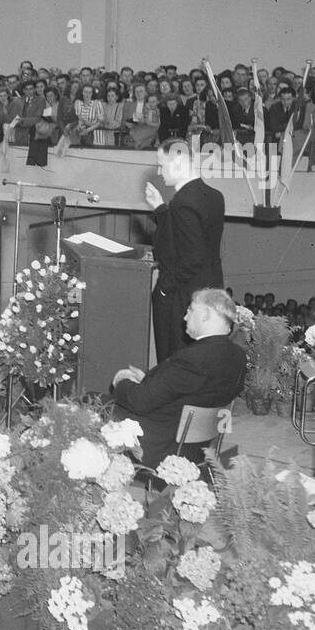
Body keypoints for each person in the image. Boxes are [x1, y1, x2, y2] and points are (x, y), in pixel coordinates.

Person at [110, 288, 246, 468]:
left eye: (190, 310)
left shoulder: (195, 358)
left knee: (89, 404)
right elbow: (189, 391)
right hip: (200, 447)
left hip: (160, 447)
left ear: (205, 315)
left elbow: (140, 401)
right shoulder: (237, 356)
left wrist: (121, 380)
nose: (184, 317)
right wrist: (148, 379)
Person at [145, 139, 225, 362]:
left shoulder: (182, 202)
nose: (159, 172)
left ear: (179, 162)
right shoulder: (214, 196)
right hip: (209, 291)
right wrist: (161, 209)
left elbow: (191, 258)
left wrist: (163, 289)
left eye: (162, 165)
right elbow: (185, 239)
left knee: (176, 363)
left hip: (183, 297)